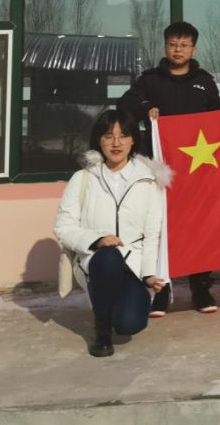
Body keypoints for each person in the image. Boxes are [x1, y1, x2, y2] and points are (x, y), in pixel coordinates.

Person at [118, 20, 220, 315]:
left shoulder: (204, 81)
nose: (178, 50)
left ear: (193, 49)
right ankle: (161, 289)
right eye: (173, 44)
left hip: (199, 173)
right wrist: (145, 107)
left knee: (200, 227)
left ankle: (201, 288)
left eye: (184, 45)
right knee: (160, 229)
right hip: (160, 171)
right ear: (166, 47)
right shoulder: (149, 81)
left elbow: (217, 117)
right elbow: (124, 105)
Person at [53, 109, 171, 357]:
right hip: (96, 262)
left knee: (130, 324)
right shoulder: (83, 178)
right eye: (109, 136)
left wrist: (149, 274)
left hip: (133, 264)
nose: (116, 143)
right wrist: (96, 240)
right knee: (108, 256)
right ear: (99, 140)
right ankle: (102, 330)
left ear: (133, 140)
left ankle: (114, 310)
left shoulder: (149, 181)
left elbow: (153, 233)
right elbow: (63, 227)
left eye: (123, 135)